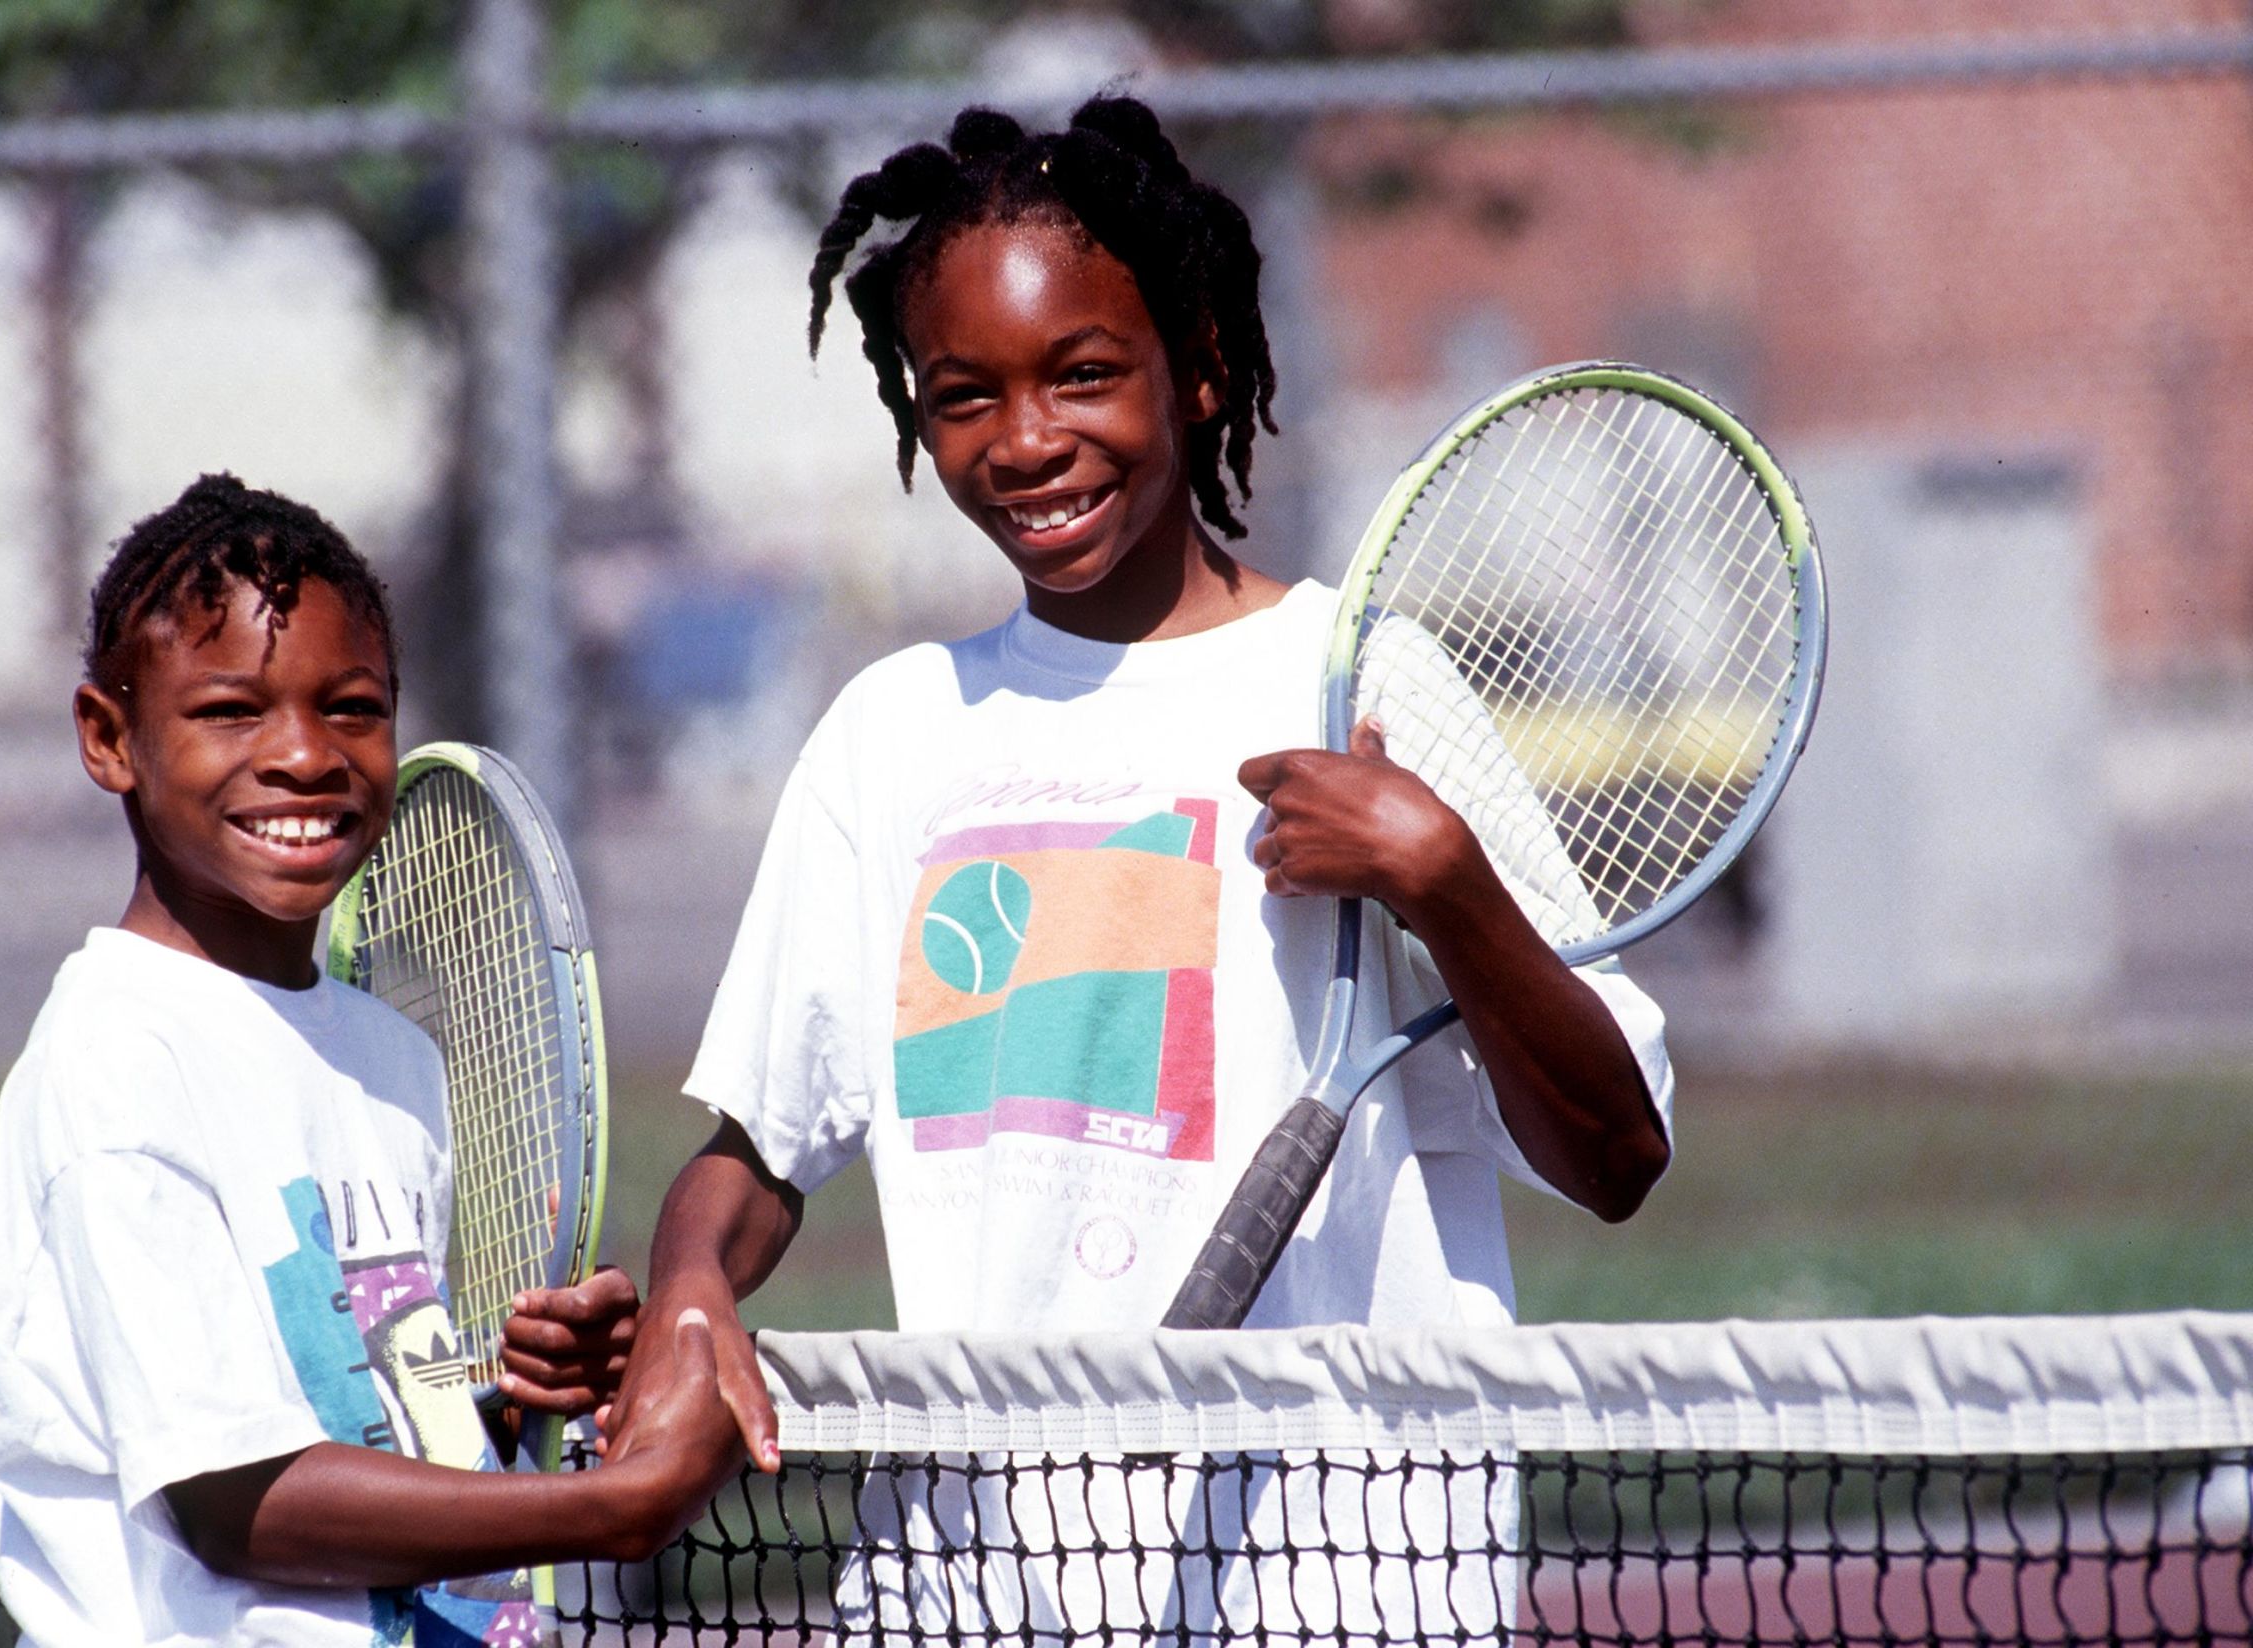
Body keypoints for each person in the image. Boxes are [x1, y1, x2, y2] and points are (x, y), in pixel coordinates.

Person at [602, 99, 1677, 1639]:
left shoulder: (1365, 680)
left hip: (1345, 1587)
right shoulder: (891, 735)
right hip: (979, 1588)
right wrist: (693, 1279)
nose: (1028, 440)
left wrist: (1440, 875)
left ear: (1203, 368)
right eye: (963, 395)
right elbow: (759, 1150)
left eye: (1085, 374)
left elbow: (1614, 1156)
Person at [0, 474, 740, 1648]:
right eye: (232, 710)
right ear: (110, 737)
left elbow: (375, 1403)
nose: (303, 754)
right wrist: (608, 1505)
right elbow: (238, 1501)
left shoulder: (393, 1059)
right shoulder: (115, 1059)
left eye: (351, 707)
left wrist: (510, 1387)